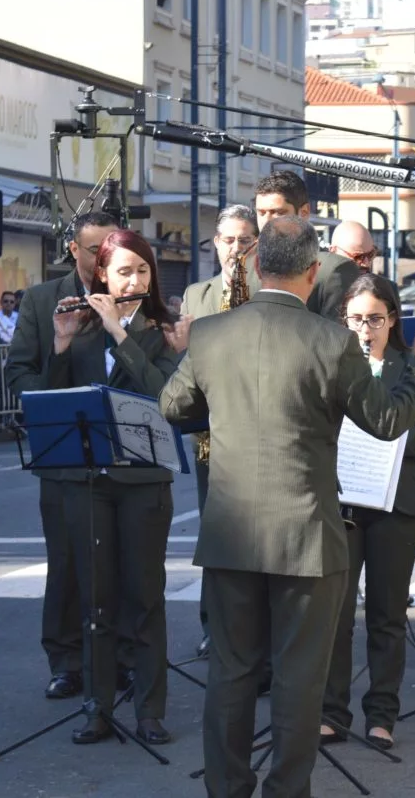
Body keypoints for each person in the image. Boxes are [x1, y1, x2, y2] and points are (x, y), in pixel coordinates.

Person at [158, 216, 415, 798]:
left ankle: (226, 789)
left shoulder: (212, 334)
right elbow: (387, 420)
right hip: (307, 536)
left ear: (253, 264)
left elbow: (174, 407)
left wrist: (223, 408)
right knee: (298, 680)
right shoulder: (331, 340)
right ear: (314, 271)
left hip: (231, 534)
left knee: (231, 672)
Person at [48, 228, 186, 745]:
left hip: (144, 482)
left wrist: (123, 335)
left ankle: (150, 709)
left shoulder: (165, 332)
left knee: (144, 598)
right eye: (123, 270)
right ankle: (97, 708)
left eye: (142, 270)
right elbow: (51, 401)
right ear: (101, 274)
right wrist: (61, 345)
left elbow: (165, 397)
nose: (134, 279)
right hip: (91, 481)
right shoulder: (79, 329)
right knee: (96, 601)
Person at [4, 212, 128, 700]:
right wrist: (60, 345)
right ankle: (66, 659)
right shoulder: (40, 300)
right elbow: (19, 377)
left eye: (109, 250)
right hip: (64, 452)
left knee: (117, 561)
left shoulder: (127, 295)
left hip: (120, 451)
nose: (101, 259)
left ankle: (117, 658)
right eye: (92, 249)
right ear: (74, 249)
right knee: (67, 561)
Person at [322, 274, 415, 751]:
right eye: (355, 319)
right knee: (335, 614)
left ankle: (382, 715)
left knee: (387, 616)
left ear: (392, 319)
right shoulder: (332, 363)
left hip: (398, 504)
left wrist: (382, 436)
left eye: (374, 319)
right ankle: (332, 712)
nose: (364, 329)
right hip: (345, 499)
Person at [180, 204, 260, 658]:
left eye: (245, 240)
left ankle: (254, 629)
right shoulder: (197, 294)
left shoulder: (268, 291)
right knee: (215, 536)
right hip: (211, 435)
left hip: (258, 430)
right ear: (215, 243)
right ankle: (214, 625)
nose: (236, 248)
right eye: (228, 240)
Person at [252, 170, 361, 317]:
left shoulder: (335, 270)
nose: (266, 222)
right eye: (261, 213)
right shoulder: (247, 267)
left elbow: (338, 336)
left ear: (304, 212)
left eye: (278, 212)